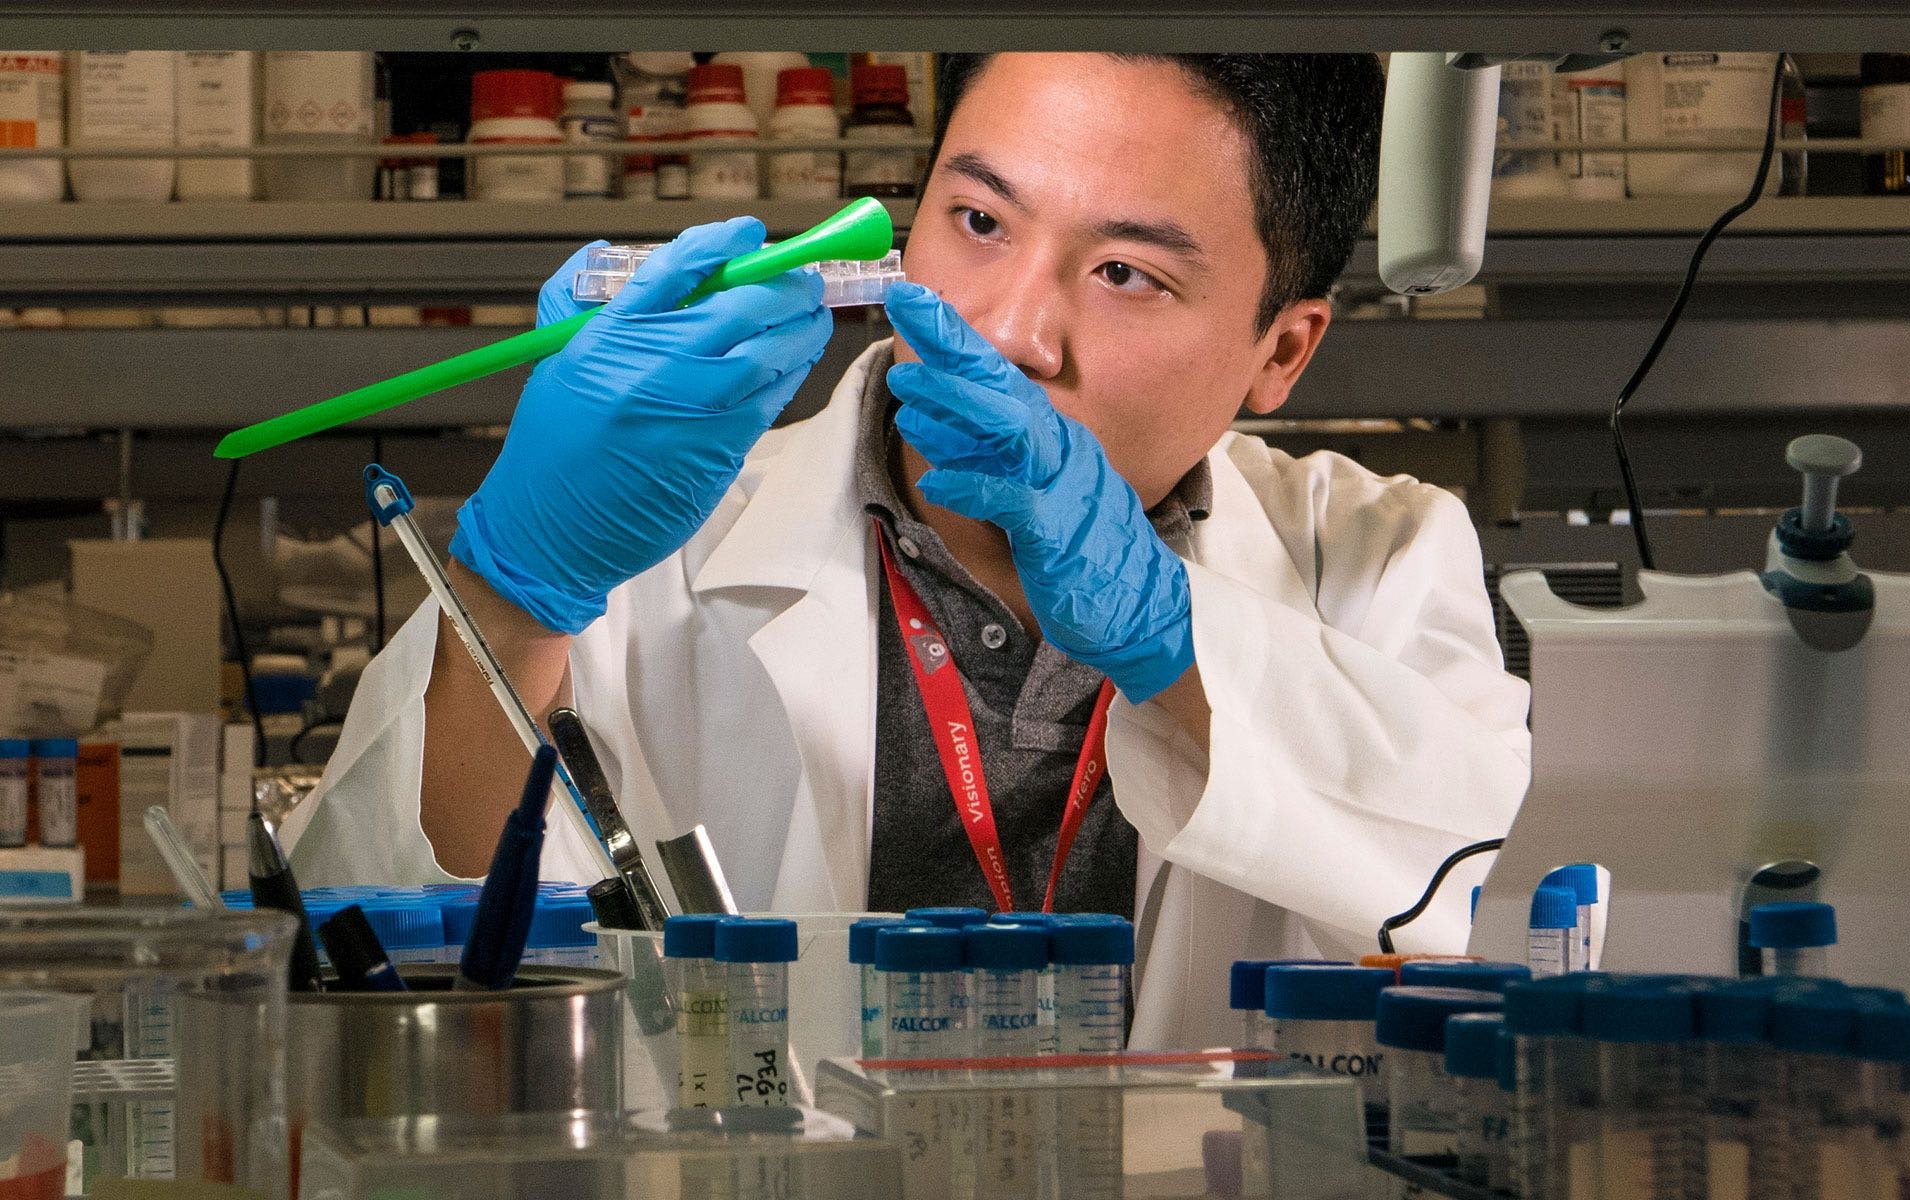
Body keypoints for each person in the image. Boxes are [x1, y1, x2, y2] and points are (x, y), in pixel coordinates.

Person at [284, 52, 1532, 1048]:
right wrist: (515, 595)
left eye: (1124, 273)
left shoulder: (1373, 559)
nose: (1011, 331)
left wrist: (1171, 637)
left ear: (1283, 350)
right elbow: (389, 966)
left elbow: (1453, 877)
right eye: (979, 219)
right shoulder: (651, 541)